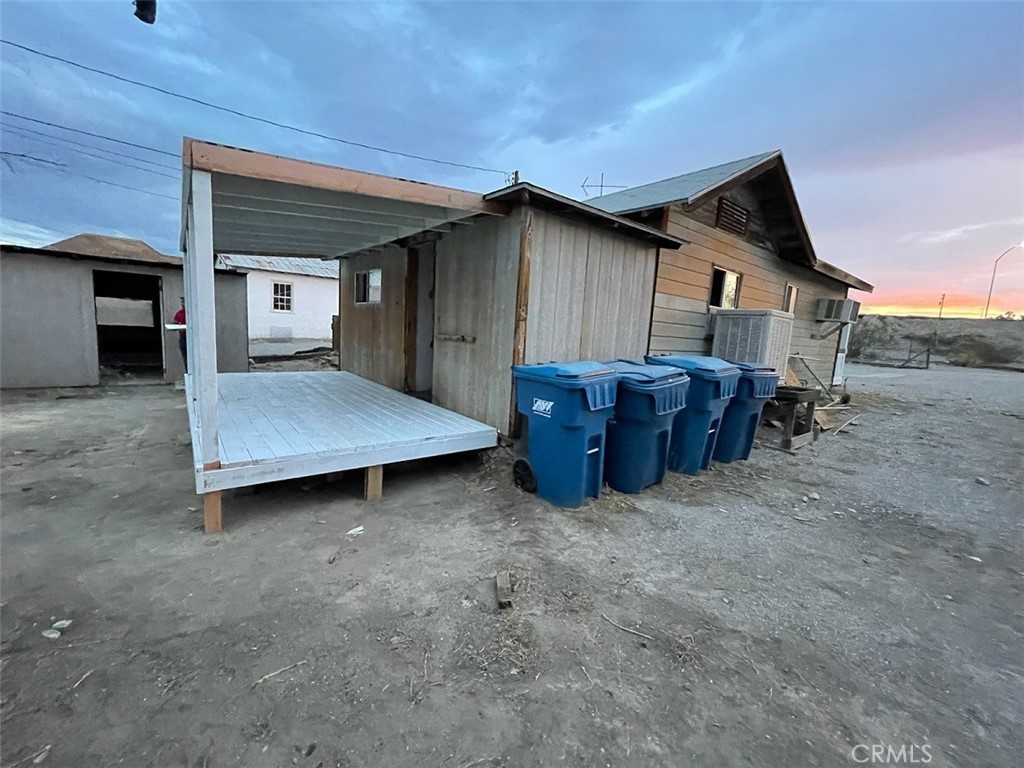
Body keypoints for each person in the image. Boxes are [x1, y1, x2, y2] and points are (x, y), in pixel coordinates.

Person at [173, 298, 187, 373]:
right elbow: (175, 324)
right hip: (183, 340)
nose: (182, 304)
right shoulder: (179, 313)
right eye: (182, 302)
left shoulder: (192, 313)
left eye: (184, 302)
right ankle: (188, 376)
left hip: (192, 340)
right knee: (185, 359)